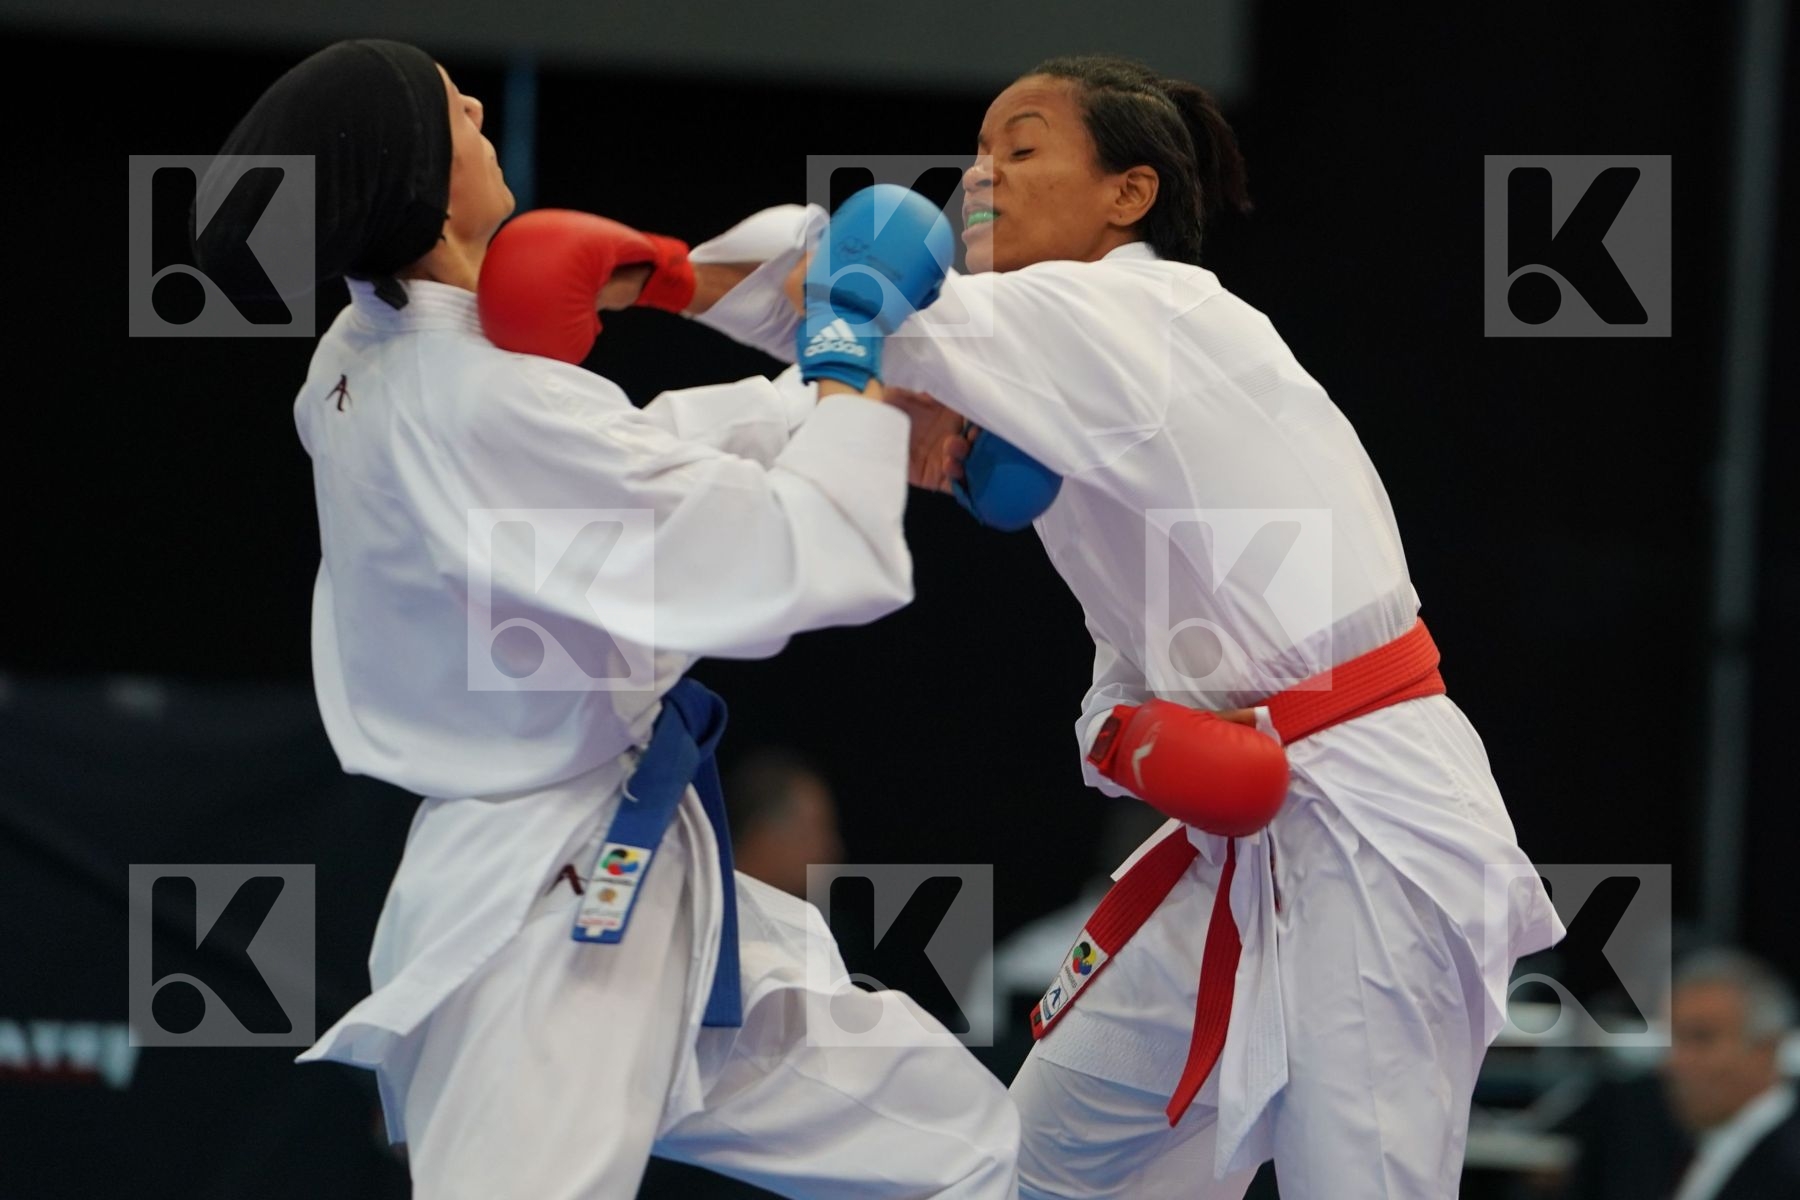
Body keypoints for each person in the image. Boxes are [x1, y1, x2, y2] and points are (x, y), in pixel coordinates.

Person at [682, 53, 1565, 1199]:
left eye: (1023, 146)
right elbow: (1129, 682)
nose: (978, 174)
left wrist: (648, 277)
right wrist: (1129, 737)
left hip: (1377, 831)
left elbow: (860, 290)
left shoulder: (1137, 309)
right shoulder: (1070, 410)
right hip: (1238, 842)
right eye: (979, 149)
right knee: (1038, 1166)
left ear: (1128, 196)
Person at [193, 40, 1019, 1200]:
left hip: (625, 851)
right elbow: (802, 553)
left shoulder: (360, 353)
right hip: (550, 916)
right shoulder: (474, 400)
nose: (478, 103)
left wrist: (802, 382)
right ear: (415, 182)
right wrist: (843, 365)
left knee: (976, 1152)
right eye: (450, 106)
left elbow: (615, 461)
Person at [1662, 948, 1800, 1199]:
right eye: (1673, 1039)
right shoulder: (1686, 1149)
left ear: (1765, 1048)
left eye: (1700, 1038)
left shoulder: (1788, 1167)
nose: (1675, 1061)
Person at [723, 748, 843, 899]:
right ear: (763, 834)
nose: (831, 850)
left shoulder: (797, 916)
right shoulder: (706, 907)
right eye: (811, 833)